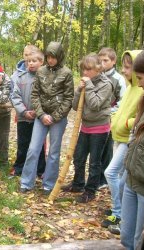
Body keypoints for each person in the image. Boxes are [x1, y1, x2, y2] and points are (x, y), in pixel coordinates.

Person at [20, 42, 74, 195]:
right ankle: (26, 182)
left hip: (58, 118)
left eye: (53, 57)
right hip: (41, 116)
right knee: (33, 148)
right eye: (48, 57)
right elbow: (35, 94)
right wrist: (42, 115)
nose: (50, 60)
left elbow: (68, 98)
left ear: (59, 57)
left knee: (54, 152)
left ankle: (49, 184)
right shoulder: (41, 71)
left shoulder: (67, 73)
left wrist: (55, 116)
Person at [102, 50, 144, 229]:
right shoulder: (129, 87)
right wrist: (115, 115)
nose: (124, 71)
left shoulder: (142, 90)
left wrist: (127, 123)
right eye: (124, 67)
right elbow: (122, 106)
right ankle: (117, 210)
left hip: (130, 139)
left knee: (110, 173)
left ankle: (119, 213)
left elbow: (142, 117)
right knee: (119, 176)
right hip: (118, 136)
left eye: (128, 68)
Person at [63, 53, 112, 203]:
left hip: (100, 128)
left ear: (98, 69)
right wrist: (78, 90)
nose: (85, 73)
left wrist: (89, 86)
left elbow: (95, 104)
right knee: (78, 157)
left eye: (88, 69)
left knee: (94, 162)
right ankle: (78, 184)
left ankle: (90, 191)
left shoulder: (106, 84)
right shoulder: (86, 82)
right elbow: (74, 106)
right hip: (86, 127)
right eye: (83, 69)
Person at [120, 49, 144, 250]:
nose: (138, 83)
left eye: (140, 77)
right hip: (132, 179)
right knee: (127, 238)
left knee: (140, 242)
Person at [10, 50, 46, 177]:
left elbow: (47, 96)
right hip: (23, 118)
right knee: (23, 143)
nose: (31, 64)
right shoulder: (20, 78)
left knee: (39, 145)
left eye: (34, 61)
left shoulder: (44, 78)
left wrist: (38, 112)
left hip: (39, 118)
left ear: (41, 62)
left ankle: (41, 170)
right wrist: (24, 112)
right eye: (28, 61)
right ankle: (19, 167)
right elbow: (15, 96)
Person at [97, 47, 126, 190]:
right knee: (97, 148)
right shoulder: (96, 76)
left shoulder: (119, 79)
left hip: (110, 119)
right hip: (96, 119)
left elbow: (122, 101)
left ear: (113, 61)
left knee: (106, 148)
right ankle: (96, 177)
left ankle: (104, 179)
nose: (102, 63)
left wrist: (110, 112)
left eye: (105, 60)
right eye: (100, 60)